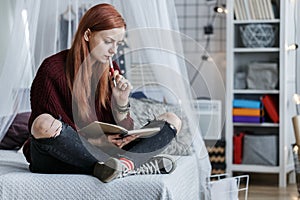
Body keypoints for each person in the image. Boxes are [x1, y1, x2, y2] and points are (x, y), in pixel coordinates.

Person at [23, 3, 182, 183]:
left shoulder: (111, 70)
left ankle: (117, 167)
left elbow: (124, 132)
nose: (114, 50)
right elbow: (43, 131)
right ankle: (131, 165)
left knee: (172, 119)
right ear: (88, 35)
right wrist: (95, 141)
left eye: (118, 43)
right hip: (57, 154)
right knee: (43, 123)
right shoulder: (52, 69)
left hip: (105, 152)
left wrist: (121, 103)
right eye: (108, 41)